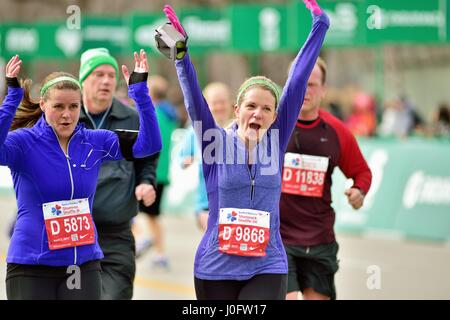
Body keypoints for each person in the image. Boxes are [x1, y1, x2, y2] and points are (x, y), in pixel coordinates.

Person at [161, 1, 329, 299]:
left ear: (276, 117)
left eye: (266, 109)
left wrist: (319, 27)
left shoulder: (275, 142)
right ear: (237, 109)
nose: (258, 114)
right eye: (251, 106)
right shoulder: (214, 142)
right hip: (216, 267)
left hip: (267, 265)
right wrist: (181, 56)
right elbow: (193, 100)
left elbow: (297, 82)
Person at [1, 51, 161, 300]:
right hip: (32, 265)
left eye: (73, 106)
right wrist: (12, 98)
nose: (67, 114)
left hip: (82, 263)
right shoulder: (24, 143)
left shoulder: (94, 141)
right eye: (58, 107)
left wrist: (140, 94)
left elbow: (149, 145)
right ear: (43, 105)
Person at [279, 57, 372, 300]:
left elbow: (361, 172)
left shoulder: (337, 131)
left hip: (319, 238)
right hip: (279, 238)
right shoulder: (273, 125)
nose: (304, 90)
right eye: (298, 82)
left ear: (323, 90)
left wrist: (358, 191)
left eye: (311, 84)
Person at [78, 47, 159, 299]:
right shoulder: (67, 117)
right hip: (73, 233)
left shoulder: (131, 118)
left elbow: (147, 158)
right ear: (82, 80)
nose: (106, 81)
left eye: (111, 75)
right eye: (98, 74)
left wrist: (146, 182)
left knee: (115, 295)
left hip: (117, 234)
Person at [136, 75, 179, 269]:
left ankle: (147, 241)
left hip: (150, 173)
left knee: (138, 214)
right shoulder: (169, 116)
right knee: (151, 216)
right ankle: (156, 249)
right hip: (162, 173)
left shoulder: (154, 115)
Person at [178, 82, 233, 231]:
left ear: (231, 104)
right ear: (206, 105)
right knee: (213, 241)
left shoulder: (238, 130)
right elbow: (182, 159)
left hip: (232, 203)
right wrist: (187, 161)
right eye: (215, 103)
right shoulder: (195, 131)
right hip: (205, 202)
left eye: (223, 102)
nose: (219, 107)